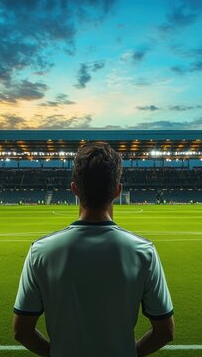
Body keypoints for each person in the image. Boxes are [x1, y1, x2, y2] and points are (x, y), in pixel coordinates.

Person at [13, 142, 174, 356]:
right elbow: (165, 332)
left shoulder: (40, 252)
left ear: (74, 189)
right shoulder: (144, 252)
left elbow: (22, 331)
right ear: (118, 191)